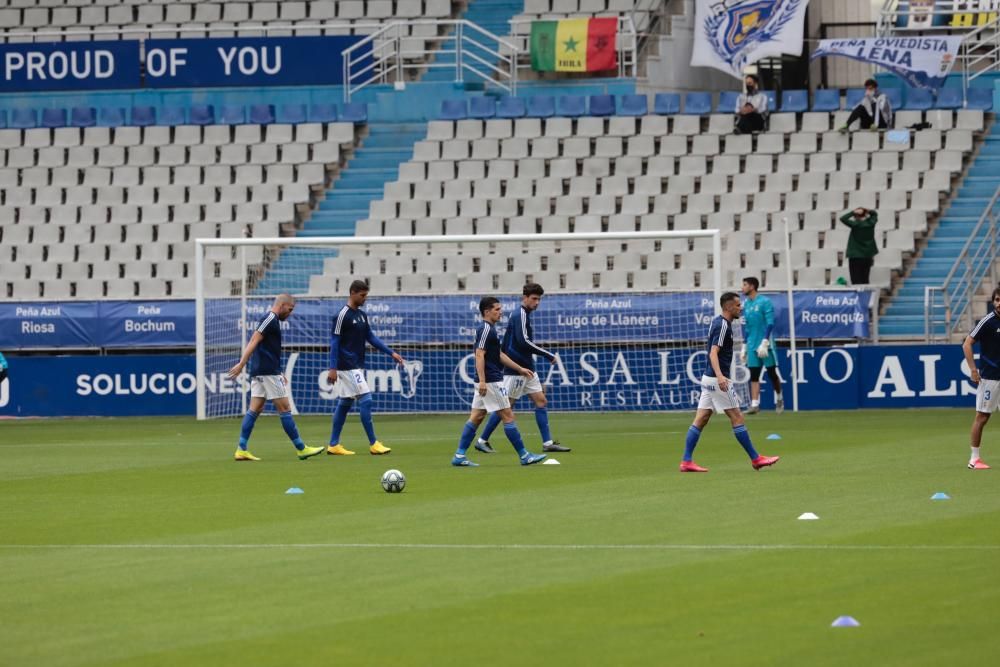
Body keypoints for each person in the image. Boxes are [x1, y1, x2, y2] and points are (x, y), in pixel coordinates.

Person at [679, 292, 780, 473]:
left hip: (708, 377)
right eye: (737, 305)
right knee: (737, 417)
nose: (740, 308)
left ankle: (686, 461)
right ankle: (756, 459)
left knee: (701, 419)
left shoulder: (719, 322)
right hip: (717, 379)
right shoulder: (723, 325)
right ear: (727, 307)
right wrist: (720, 376)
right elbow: (713, 353)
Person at [227, 294, 325, 462]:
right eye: (290, 309)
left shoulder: (273, 321)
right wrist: (241, 363)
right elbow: (254, 340)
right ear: (282, 305)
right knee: (285, 409)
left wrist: (279, 371)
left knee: (255, 409)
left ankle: (241, 449)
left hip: (263, 371)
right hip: (267, 372)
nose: (290, 313)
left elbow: (268, 350)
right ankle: (301, 448)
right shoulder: (270, 318)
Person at [451, 297, 548, 467]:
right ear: (487, 311)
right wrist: (482, 381)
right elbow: (479, 354)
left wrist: (519, 369)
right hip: (490, 381)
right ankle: (525, 456)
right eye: (497, 309)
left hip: (487, 380)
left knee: (476, 417)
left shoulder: (490, 330)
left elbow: (499, 355)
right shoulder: (486, 329)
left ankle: (459, 456)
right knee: (508, 416)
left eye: (500, 309)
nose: (500, 312)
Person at [474, 283, 570, 455]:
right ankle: (482, 440)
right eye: (534, 298)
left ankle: (547, 443)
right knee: (506, 406)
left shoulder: (524, 314)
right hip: (518, 369)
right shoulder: (520, 314)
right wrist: (547, 354)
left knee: (541, 401)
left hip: (527, 368)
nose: (537, 302)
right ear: (524, 298)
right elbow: (523, 342)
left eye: (539, 299)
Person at [327, 280, 405, 456]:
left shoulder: (362, 315)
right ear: (352, 293)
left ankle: (333, 444)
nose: (364, 299)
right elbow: (334, 342)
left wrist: (391, 352)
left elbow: (371, 337)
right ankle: (373, 443)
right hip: (346, 365)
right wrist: (332, 368)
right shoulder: (342, 315)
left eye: (366, 295)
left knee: (345, 403)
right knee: (366, 399)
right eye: (362, 295)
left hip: (356, 364)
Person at [961, 289, 1000, 470]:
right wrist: (973, 369)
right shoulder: (987, 321)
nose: (999, 303)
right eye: (997, 300)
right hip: (990, 378)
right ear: (993, 302)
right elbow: (967, 343)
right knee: (982, 417)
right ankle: (974, 459)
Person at [740, 277, 783, 414]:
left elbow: (770, 323)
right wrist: (744, 346)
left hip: (766, 345)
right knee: (754, 374)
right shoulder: (746, 304)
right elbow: (747, 327)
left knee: (771, 374)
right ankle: (754, 405)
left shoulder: (765, 301)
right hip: (752, 344)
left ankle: (779, 398)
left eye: (745, 285)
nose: (742, 287)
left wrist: (765, 342)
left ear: (752, 286)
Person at [839, 207, 879, 285]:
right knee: (865, 279)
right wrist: (867, 210)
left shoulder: (856, 224)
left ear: (856, 216)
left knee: (856, 280)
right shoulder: (871, 223)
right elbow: (874, 214)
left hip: (855, 256)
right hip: (867, 256)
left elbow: (843, 218)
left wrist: (852, 212)